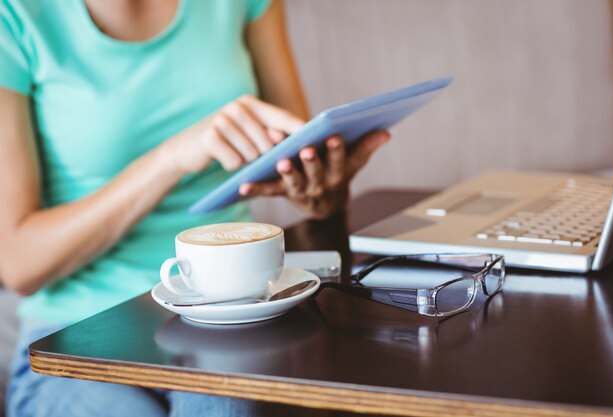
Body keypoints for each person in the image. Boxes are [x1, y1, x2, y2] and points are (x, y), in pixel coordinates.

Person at [0, 0, 390, 416]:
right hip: (77, 338)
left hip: (231, 314)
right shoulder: (16, 15)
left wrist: (320, 187)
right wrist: (171, 159)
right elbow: (19, 264)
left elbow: (296, 166)